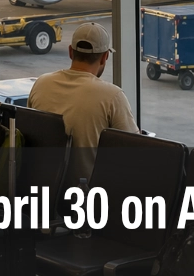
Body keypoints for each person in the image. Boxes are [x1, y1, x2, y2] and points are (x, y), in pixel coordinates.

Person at [28, 23, 139, 185]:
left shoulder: (41, 83)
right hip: (87, 197)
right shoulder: (112, 96)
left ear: (70, 52)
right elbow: (135, 151)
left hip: (42, 190)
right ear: (104, 57)